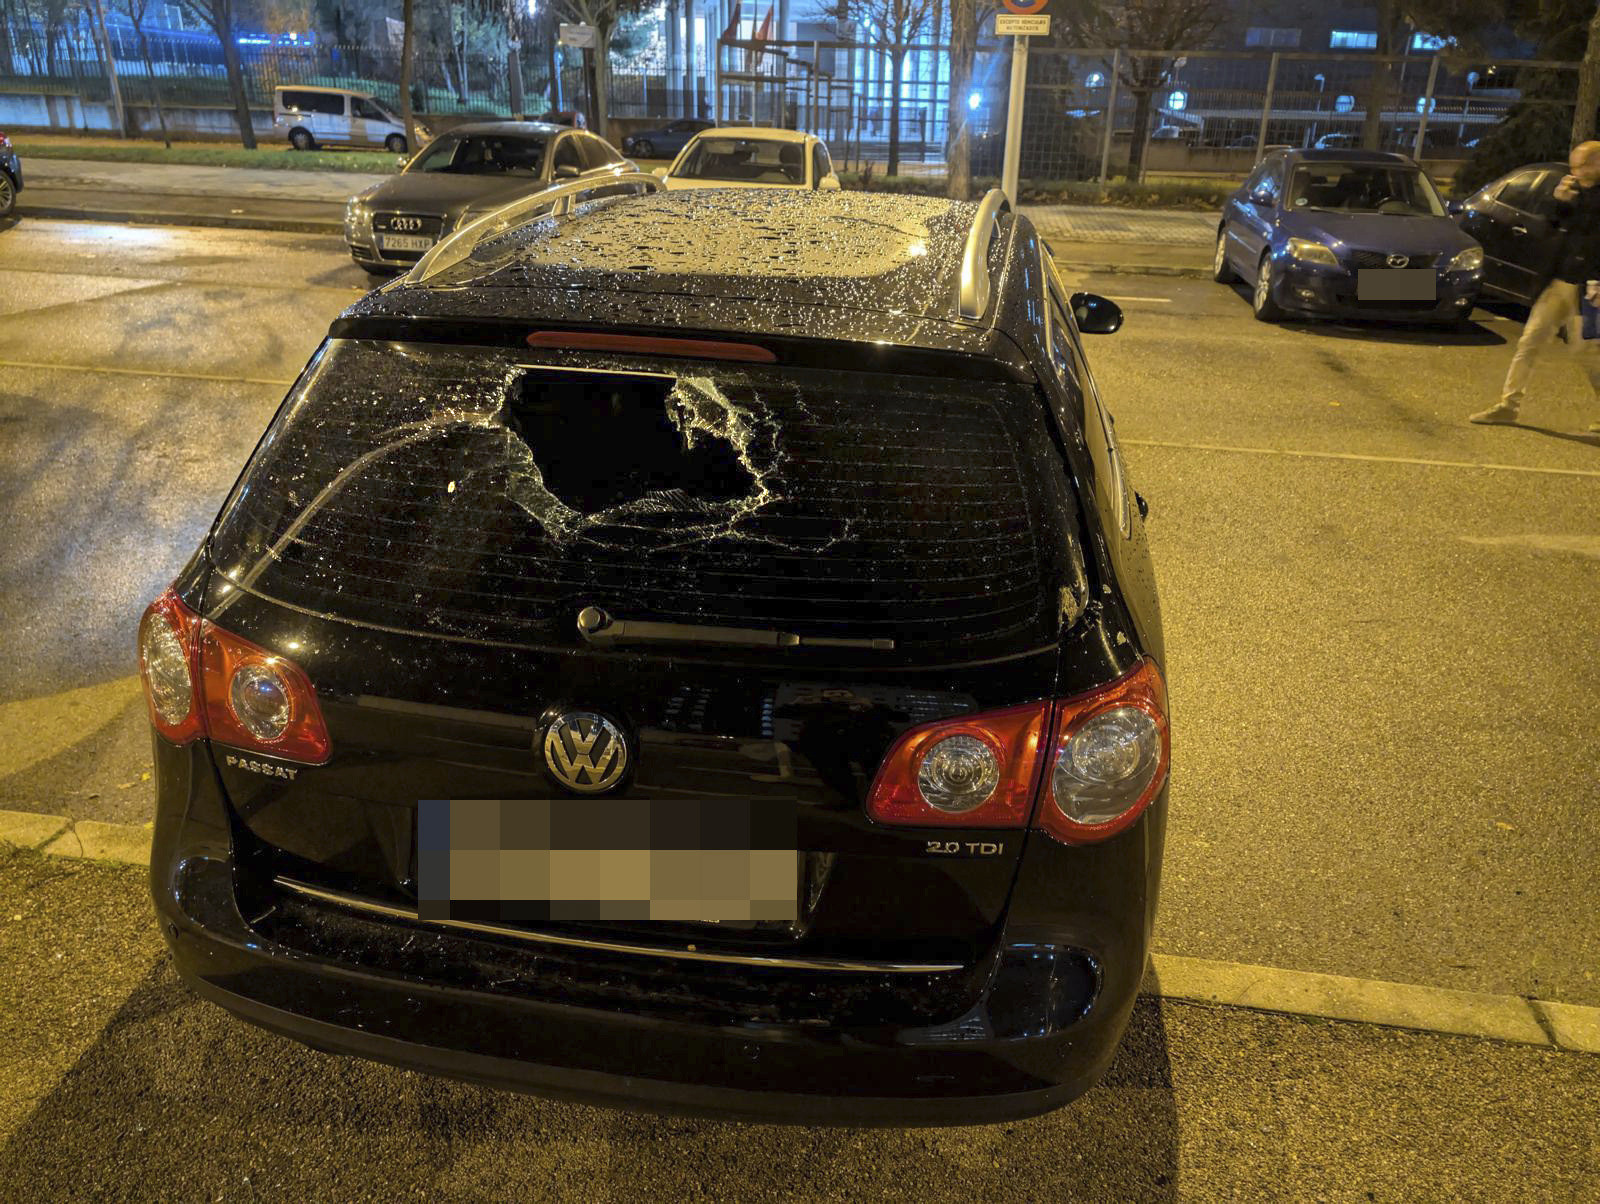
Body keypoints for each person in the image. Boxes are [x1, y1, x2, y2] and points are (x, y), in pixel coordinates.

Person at [1470, 141, 1600, 430]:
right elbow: (1548, 228)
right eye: (1574, 165)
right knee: (1529, 342)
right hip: (1557, 283)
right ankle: (1508, 406)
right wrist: (1559, 202)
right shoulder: (1574, 192)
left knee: (1586, 351)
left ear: (1596, 165)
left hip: (1589, 290)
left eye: (1581, 165)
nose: (1575, 171)